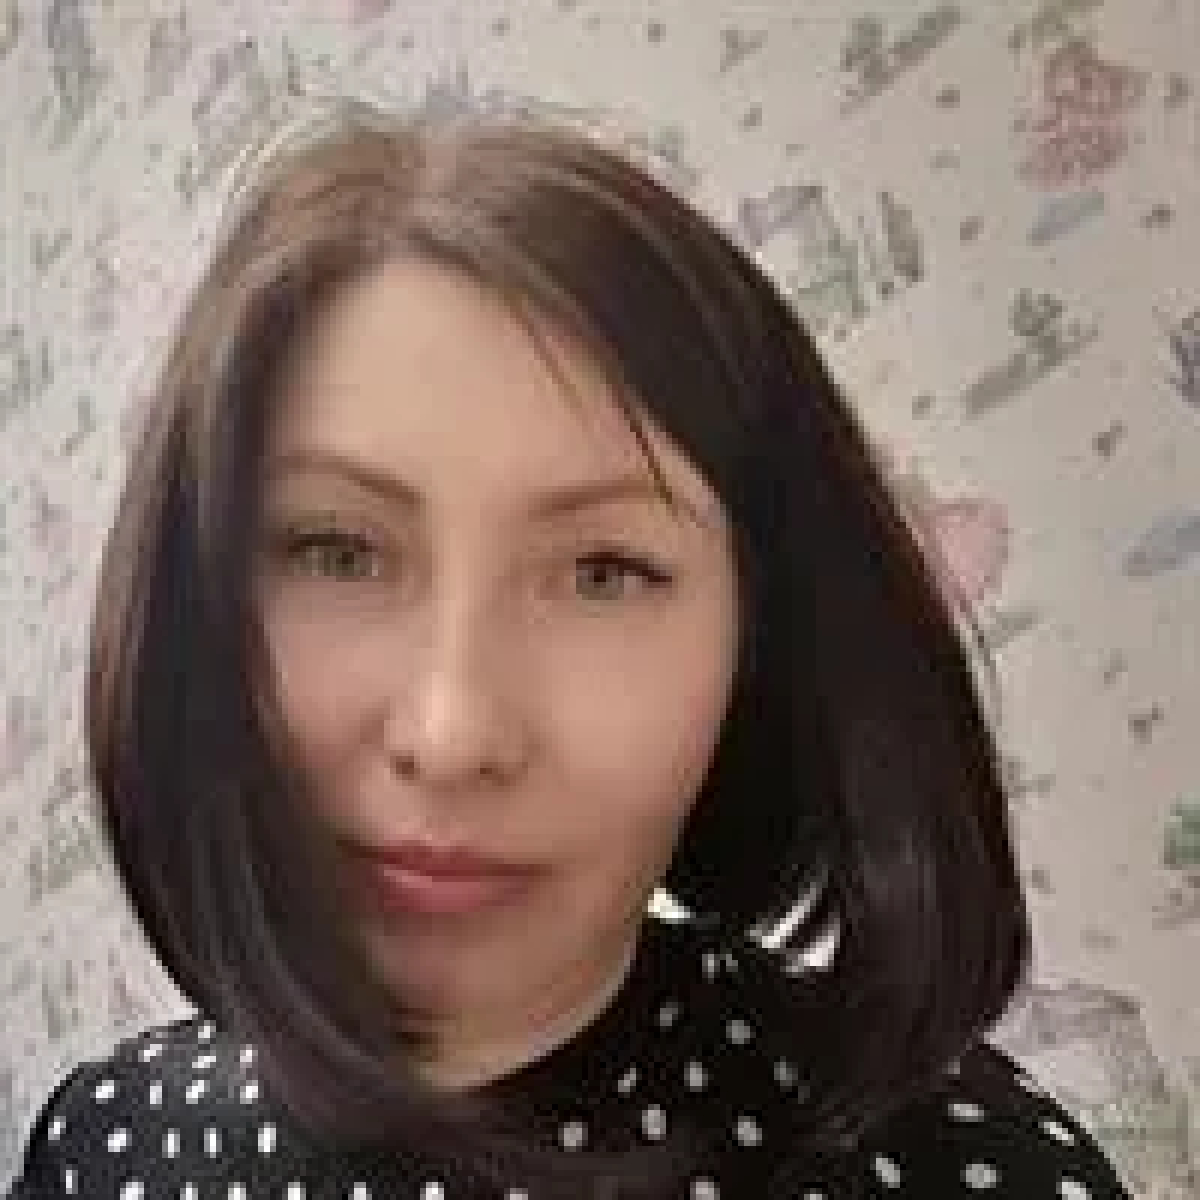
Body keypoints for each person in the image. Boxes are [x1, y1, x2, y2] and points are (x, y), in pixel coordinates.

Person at [8, 105, 1132, 1199]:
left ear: (758, 639)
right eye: (338, 551)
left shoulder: (967, 1169)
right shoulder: (110, 1144)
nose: (452, 734)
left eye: (604, 571)